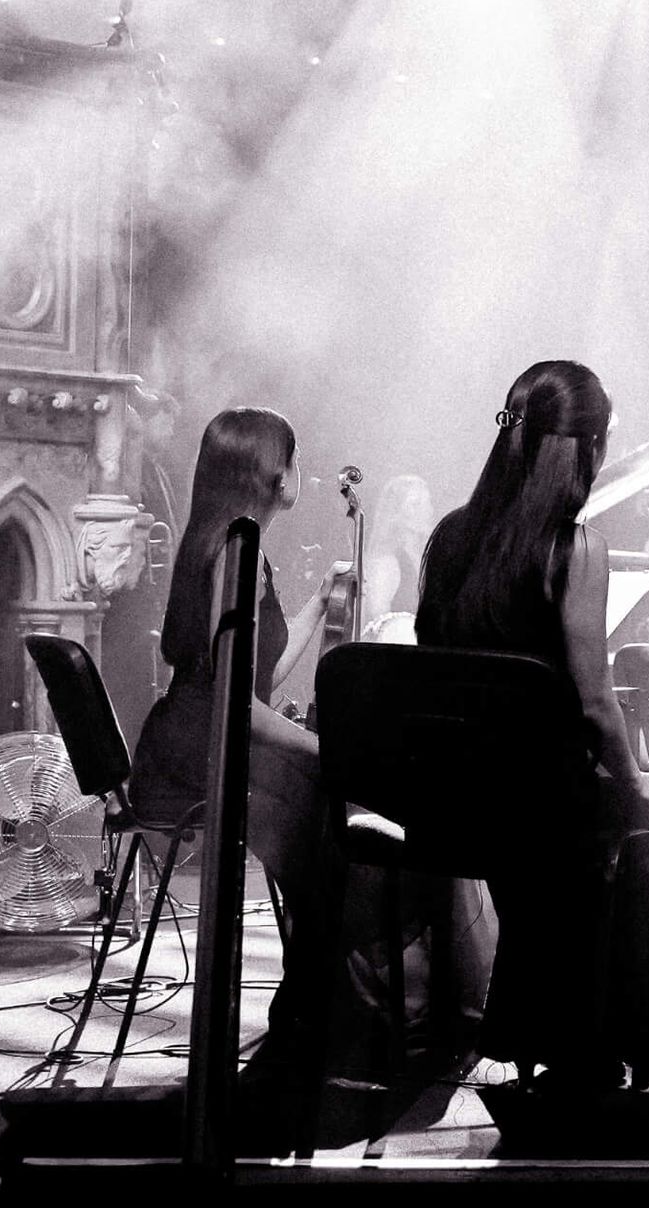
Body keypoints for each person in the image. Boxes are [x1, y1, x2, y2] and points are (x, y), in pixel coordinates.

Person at [415, 360, 649, 1091]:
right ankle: (641, 1040)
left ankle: (546, 1026)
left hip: (455, 799)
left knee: (572, 836)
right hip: (539, 805)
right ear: (590, 448)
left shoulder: (447, 540)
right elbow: (596, 702)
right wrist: (638, 778)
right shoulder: (576, 549)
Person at [131, 407, 358, 1082]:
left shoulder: (221, 542)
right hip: (197, 758)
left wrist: (318, 606)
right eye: (293, 456)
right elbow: (239, 708)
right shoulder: (240, 554)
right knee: (330, 841)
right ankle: (310, 1025)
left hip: (190, 739)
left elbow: (250, 679)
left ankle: (312, 1015)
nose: (302, 470)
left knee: (324, 825)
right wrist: (325, 751)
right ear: (269, 471)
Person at [360, 471, 434, 630]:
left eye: (428, 503)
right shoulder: (386, 561)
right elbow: (378, 627)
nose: (427, 510)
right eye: (415, 504)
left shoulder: (428, 557)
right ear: (396, 512)